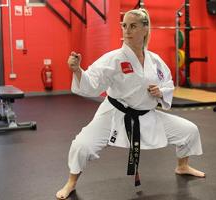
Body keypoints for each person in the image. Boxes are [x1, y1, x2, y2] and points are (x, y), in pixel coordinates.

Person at [56, 8, 205, 200]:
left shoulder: (156, 61)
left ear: (145, 29)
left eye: (132, 26)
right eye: (124, 26)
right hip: (114, 114)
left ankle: (182, 166)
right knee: (82, 145)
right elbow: (91, 82)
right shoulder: (114, 58)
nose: (126, 30)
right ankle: (71, 182)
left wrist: (161, 92)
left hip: (146, 115)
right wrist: (77, 70)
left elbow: (168, 84)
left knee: (189, 130)